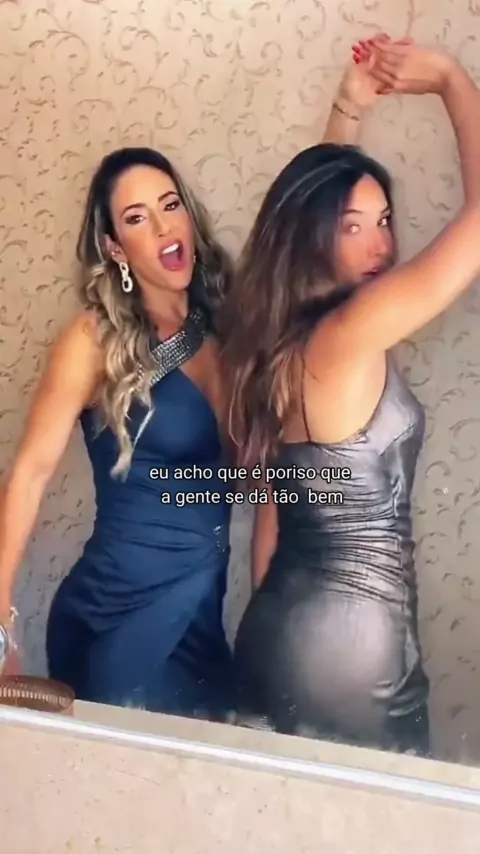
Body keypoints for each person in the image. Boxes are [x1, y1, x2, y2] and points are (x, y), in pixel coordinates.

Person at [221, 40, 480, 754]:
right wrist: (451, 80)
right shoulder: (351, 333)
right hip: (356, 649)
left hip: (277, 625)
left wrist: (349, 108)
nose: (380, 245)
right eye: (354, 227)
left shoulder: (280, 340)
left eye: (385, 221)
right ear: (315, 238)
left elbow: (273, 519)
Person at [0, 146, 236, 717]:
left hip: (203, 608)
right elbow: (30, 474)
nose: (162, 227)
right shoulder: (94, 338)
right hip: (119, 615)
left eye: (170, 205)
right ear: (115, 248)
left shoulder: (224, 325)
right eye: (136, 218)